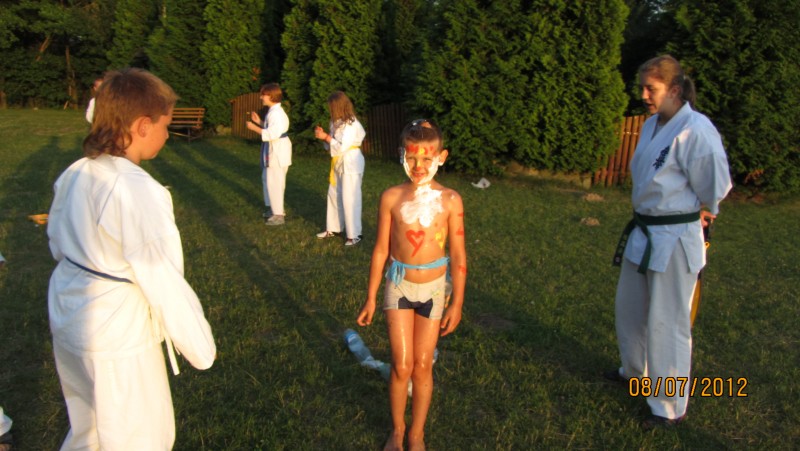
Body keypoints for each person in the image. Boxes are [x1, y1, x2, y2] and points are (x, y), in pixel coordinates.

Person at [47, 68, 216, 450]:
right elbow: (161, 277)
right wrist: (199, 345)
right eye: (165, 126)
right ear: (142, 126)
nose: (167, 135)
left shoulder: (77, 172)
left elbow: (56, 239)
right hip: (117, 334)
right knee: (139, 436)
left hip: (69, 313)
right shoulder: (137, 189)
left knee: (89, 427)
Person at [607, 55, 732, 429]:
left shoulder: (697, 130)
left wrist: (705, 209)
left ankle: (668, 407)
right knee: (629, 310)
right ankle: (635, 373)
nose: (644, 95)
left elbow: (715, 186)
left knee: (668, 321)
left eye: (652, 89)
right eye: (642, 88)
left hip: (675, 236)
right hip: (644, 231)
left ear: (675, 89)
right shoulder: (651, 125)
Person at [357, 119, 467, 450]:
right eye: (412, 157)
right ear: (401, 154)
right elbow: (381, 250)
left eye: (426, 158)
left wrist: (457, 302)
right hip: (399, 287)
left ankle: (417, 434)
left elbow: (458, 255)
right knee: (401, 365)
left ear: (441, 157)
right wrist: (371, 297)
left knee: (421, 367)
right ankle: (398, 430)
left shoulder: (451, 200)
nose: (418, 166)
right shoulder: (391, 197)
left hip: (434, 291)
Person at [314, 91, 366, 246]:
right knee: (334, 194)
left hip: (351, 162)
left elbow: (342, 146)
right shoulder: (335, 122)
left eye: (331, 106)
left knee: (351, 198)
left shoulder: (351, 124)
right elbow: (332, 145)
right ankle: (334, 228)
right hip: (338, 162)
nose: (329, 109)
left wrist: (326, 137)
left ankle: (354, 234)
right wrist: (323, 136)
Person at [246, 83, 292, 225]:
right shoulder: (273, 112)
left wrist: (254, 128)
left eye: (263, 95)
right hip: (274, 148)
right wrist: (259, 122)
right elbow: (271, 129)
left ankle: (278, 214)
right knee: (267, 179)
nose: (261, 97)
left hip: (277, 151)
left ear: (271, 96)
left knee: (275, 182)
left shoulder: (277, 114)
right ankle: (273, 208)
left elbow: (272, 134)